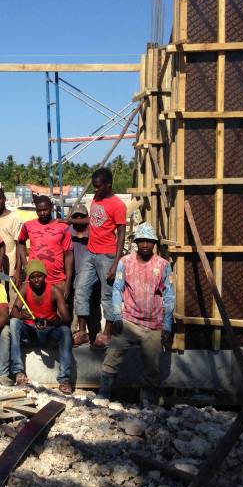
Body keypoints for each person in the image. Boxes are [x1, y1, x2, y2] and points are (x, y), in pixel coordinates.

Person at [96, 223, 174, 406]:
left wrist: (167, 324)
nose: (145, 244)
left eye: (149, 241)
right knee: (112, 357)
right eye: (141, 241)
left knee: (152, 366)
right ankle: (103, 393)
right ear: (136, 242)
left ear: (154, 243)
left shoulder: (163, 265)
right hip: (128, 321)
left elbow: (169, 296)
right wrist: (117, 315)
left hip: (153, 324)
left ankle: (147, 400)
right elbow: (117, 289)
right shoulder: (125, 262)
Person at [9, 260, 73, 394]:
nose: (36, 280)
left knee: (65, 331)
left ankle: (64, 379)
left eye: (39, 276)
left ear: (45, 276)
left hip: (49, 332)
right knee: (14, 322)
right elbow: (13, 313)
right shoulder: (25, 288)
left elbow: (67, 319)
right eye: (32, 277)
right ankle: (18, 372)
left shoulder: (55, 291)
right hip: (30, 331)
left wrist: (49, 322)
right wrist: (21, 315)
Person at [85, 168, 127, 347]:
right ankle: (84, 330)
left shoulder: (118, 205)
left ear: (108, 185)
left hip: (107, 255)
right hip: (91, 253)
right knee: (82, 289)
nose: (95, 190)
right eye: (94, 187)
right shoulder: (96, 198)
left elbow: (121, 234)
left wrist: (115, 263)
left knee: (107, 295)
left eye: (99, 187)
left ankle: (108, 332)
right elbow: (92, 221)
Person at [16, 195, 73, 290]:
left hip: (57, 280)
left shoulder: (63, 227)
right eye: (39, 210)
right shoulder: (28, 226)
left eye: (45, 210)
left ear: (51, 208)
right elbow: (20, 242)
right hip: (34, 279)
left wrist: (68, 282)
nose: (42, 213)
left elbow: (68, 255)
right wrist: (25, 264)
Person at [66, 202, 100, 348]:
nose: (79, 219)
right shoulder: (68, 231)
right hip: (73, 274)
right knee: (74, 304)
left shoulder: (94, 231)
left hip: (93, 275)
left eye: (81, 216)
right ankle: (77, 332)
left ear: (87, 217)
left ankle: (94, 333)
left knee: (93, 305)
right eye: (76, 216)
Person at [0, 187, 23, 279]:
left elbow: (20, 245)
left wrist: (18, 270)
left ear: (4, 199)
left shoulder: (14, 218)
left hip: (10, 271)